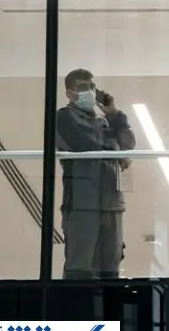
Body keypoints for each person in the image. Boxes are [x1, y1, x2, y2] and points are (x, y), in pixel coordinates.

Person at [55, 68, 136, 279]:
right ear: (70, 93)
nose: (90, 91)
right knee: (79, 268)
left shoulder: (105, 121)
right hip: (82, 204)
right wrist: (116, 153)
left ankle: (110, 303)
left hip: (111, 203)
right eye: (83, 87)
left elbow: (128, 144)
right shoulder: (63, 117)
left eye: (92, 87)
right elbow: (85, 146)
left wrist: (113, 113)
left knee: (111, 266)